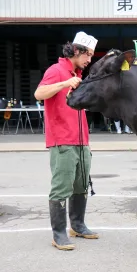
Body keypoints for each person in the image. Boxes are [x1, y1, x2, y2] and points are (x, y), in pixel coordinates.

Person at [34, 31, 99, 251]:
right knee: (62, 188)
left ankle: (78, 225)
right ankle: (59, 233)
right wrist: (64, 84)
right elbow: (39, 93)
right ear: (77, 51)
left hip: (82, 140)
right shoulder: (57, 70)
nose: (89, 60)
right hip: (62, 140)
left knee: (81, 185)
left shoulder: (77, 73)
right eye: (87, 55)